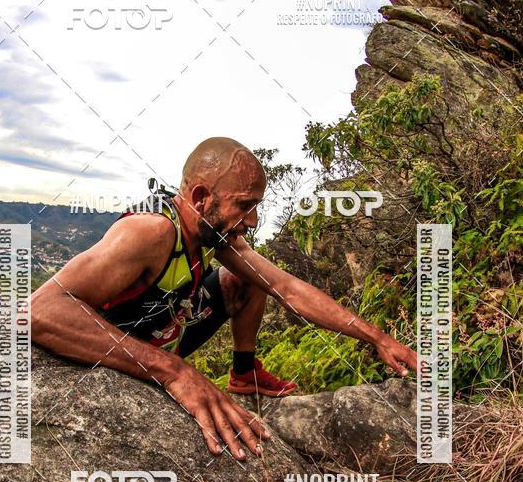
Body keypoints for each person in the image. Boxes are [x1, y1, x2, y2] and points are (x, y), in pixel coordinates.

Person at [32, 137, 417, 460]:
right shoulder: (149, 233)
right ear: (201, 196)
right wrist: (175, 371)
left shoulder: (211, 233)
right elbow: (41, 311)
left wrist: (378, 338)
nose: (251, 221)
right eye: (244, 205)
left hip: (164, 334)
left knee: (245, 279)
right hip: (123, 349)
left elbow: (286, 288)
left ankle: (244, 372)